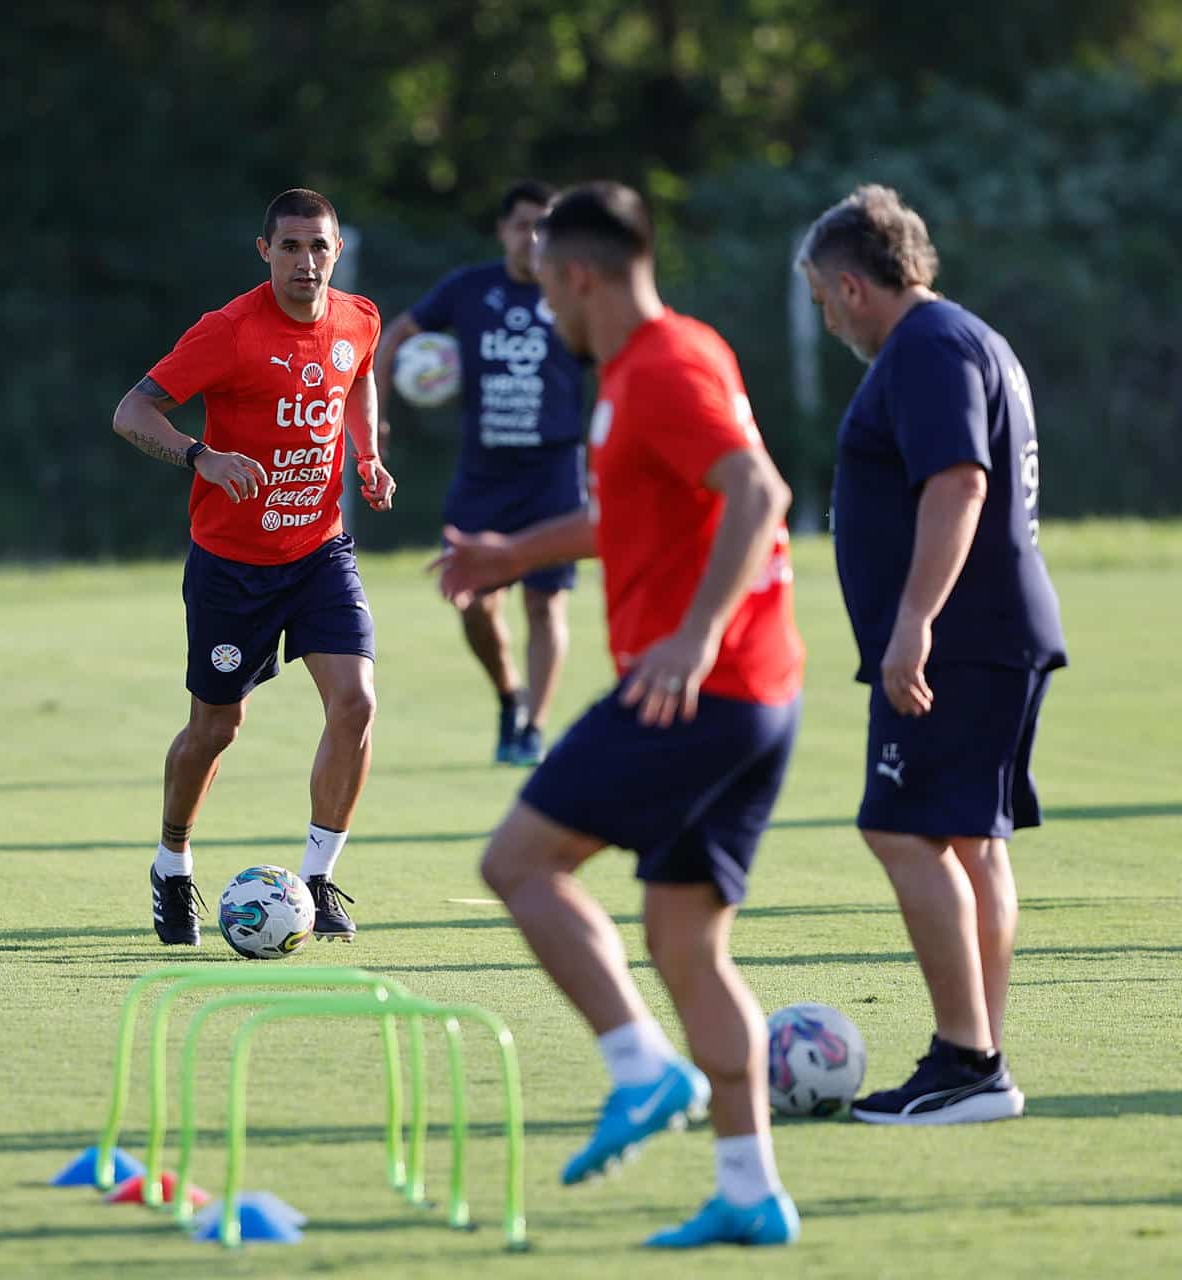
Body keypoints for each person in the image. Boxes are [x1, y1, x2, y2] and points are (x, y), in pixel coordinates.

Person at [438, 183, 803, 1247]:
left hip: (696, 687)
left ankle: (640, 1068)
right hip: (756, 695)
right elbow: (634, 513)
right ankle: (750, 1189)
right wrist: (513, 553)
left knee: (518, 862)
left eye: (545, 280)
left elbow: (757, 491)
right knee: (686, 940)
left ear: (580, 275)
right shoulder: (668, 356)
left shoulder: (665, 368)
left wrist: (692, 637)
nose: (538, 300)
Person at [797, 184, 1065, 1124]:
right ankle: (980, 1058)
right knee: (970, 841)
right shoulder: (961, 337)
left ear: (851, 284)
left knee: (901, 829)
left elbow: (958, 482)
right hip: (992, 635)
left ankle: (967, 1059)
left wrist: (913, 623)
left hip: (958, 642)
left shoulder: (927, 346)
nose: (827, 318)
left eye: (825, 300)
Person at [111, 188, 396, 948]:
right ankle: (171, 865)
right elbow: (132, 412)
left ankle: (318, 877)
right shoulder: (229, 333)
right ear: (265, 251)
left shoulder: (358, 318)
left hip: (318, 551)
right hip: (232, 565)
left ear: (338, 251)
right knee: (216, 727)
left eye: (320, 247)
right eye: (292, 246)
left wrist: (367, 456)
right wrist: (204, 456)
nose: (308, 261)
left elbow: (361, 374)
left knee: (357, 704)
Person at [376, 181, 586, 764]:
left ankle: (533, 729)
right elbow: (395, 338)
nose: (534, 237)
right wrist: (377, 420)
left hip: (555, 470)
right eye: (523, 225)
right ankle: (508, 694)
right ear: (504, 231)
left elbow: (616, 360)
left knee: (546, 603)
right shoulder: (470, 289)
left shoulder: (573, 291)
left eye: (546, 225)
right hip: (484, 474)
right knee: (470, 599)